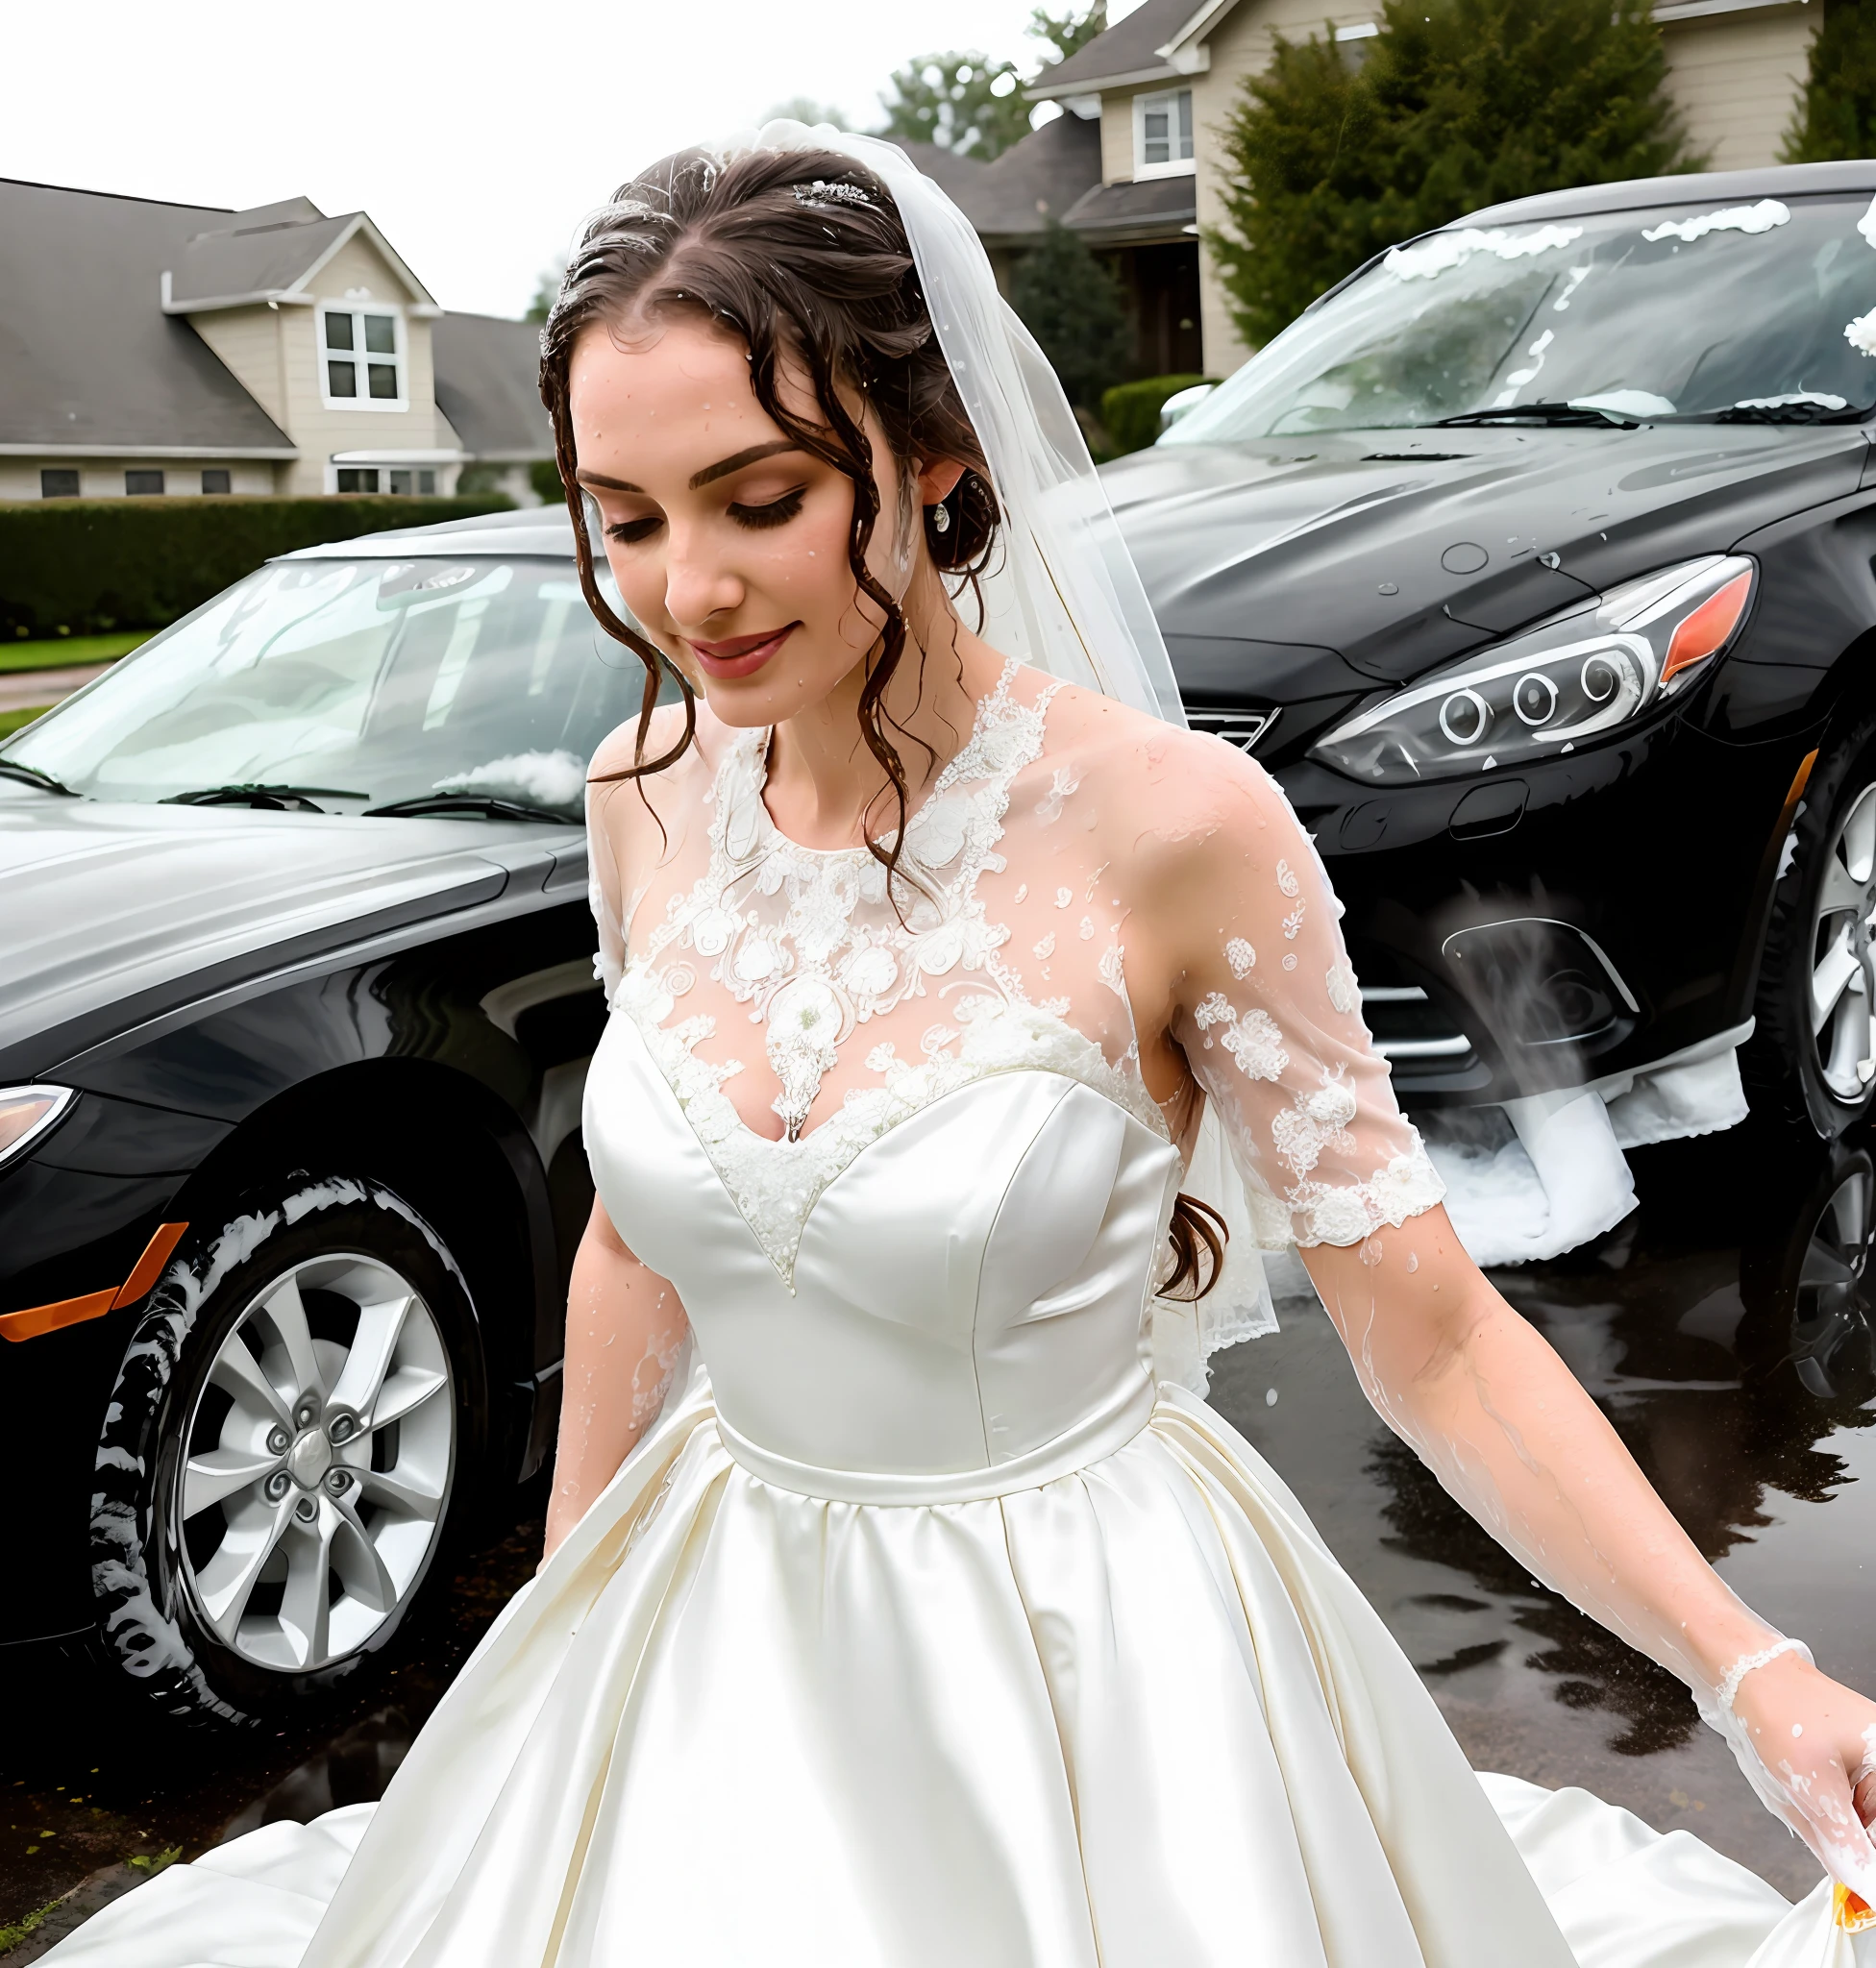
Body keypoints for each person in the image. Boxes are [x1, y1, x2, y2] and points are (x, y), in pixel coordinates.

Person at [46, 126, 1876, 1968]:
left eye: (758, 500)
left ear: (932, 468)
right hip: (714, 1626)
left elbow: (1439, 1332)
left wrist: (1750, 1669)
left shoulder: (1180, 827)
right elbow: (629, 1242)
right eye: (627, 518)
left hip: (1082, 1659)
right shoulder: (639, 800)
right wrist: (561, 1604)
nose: (688, 591)